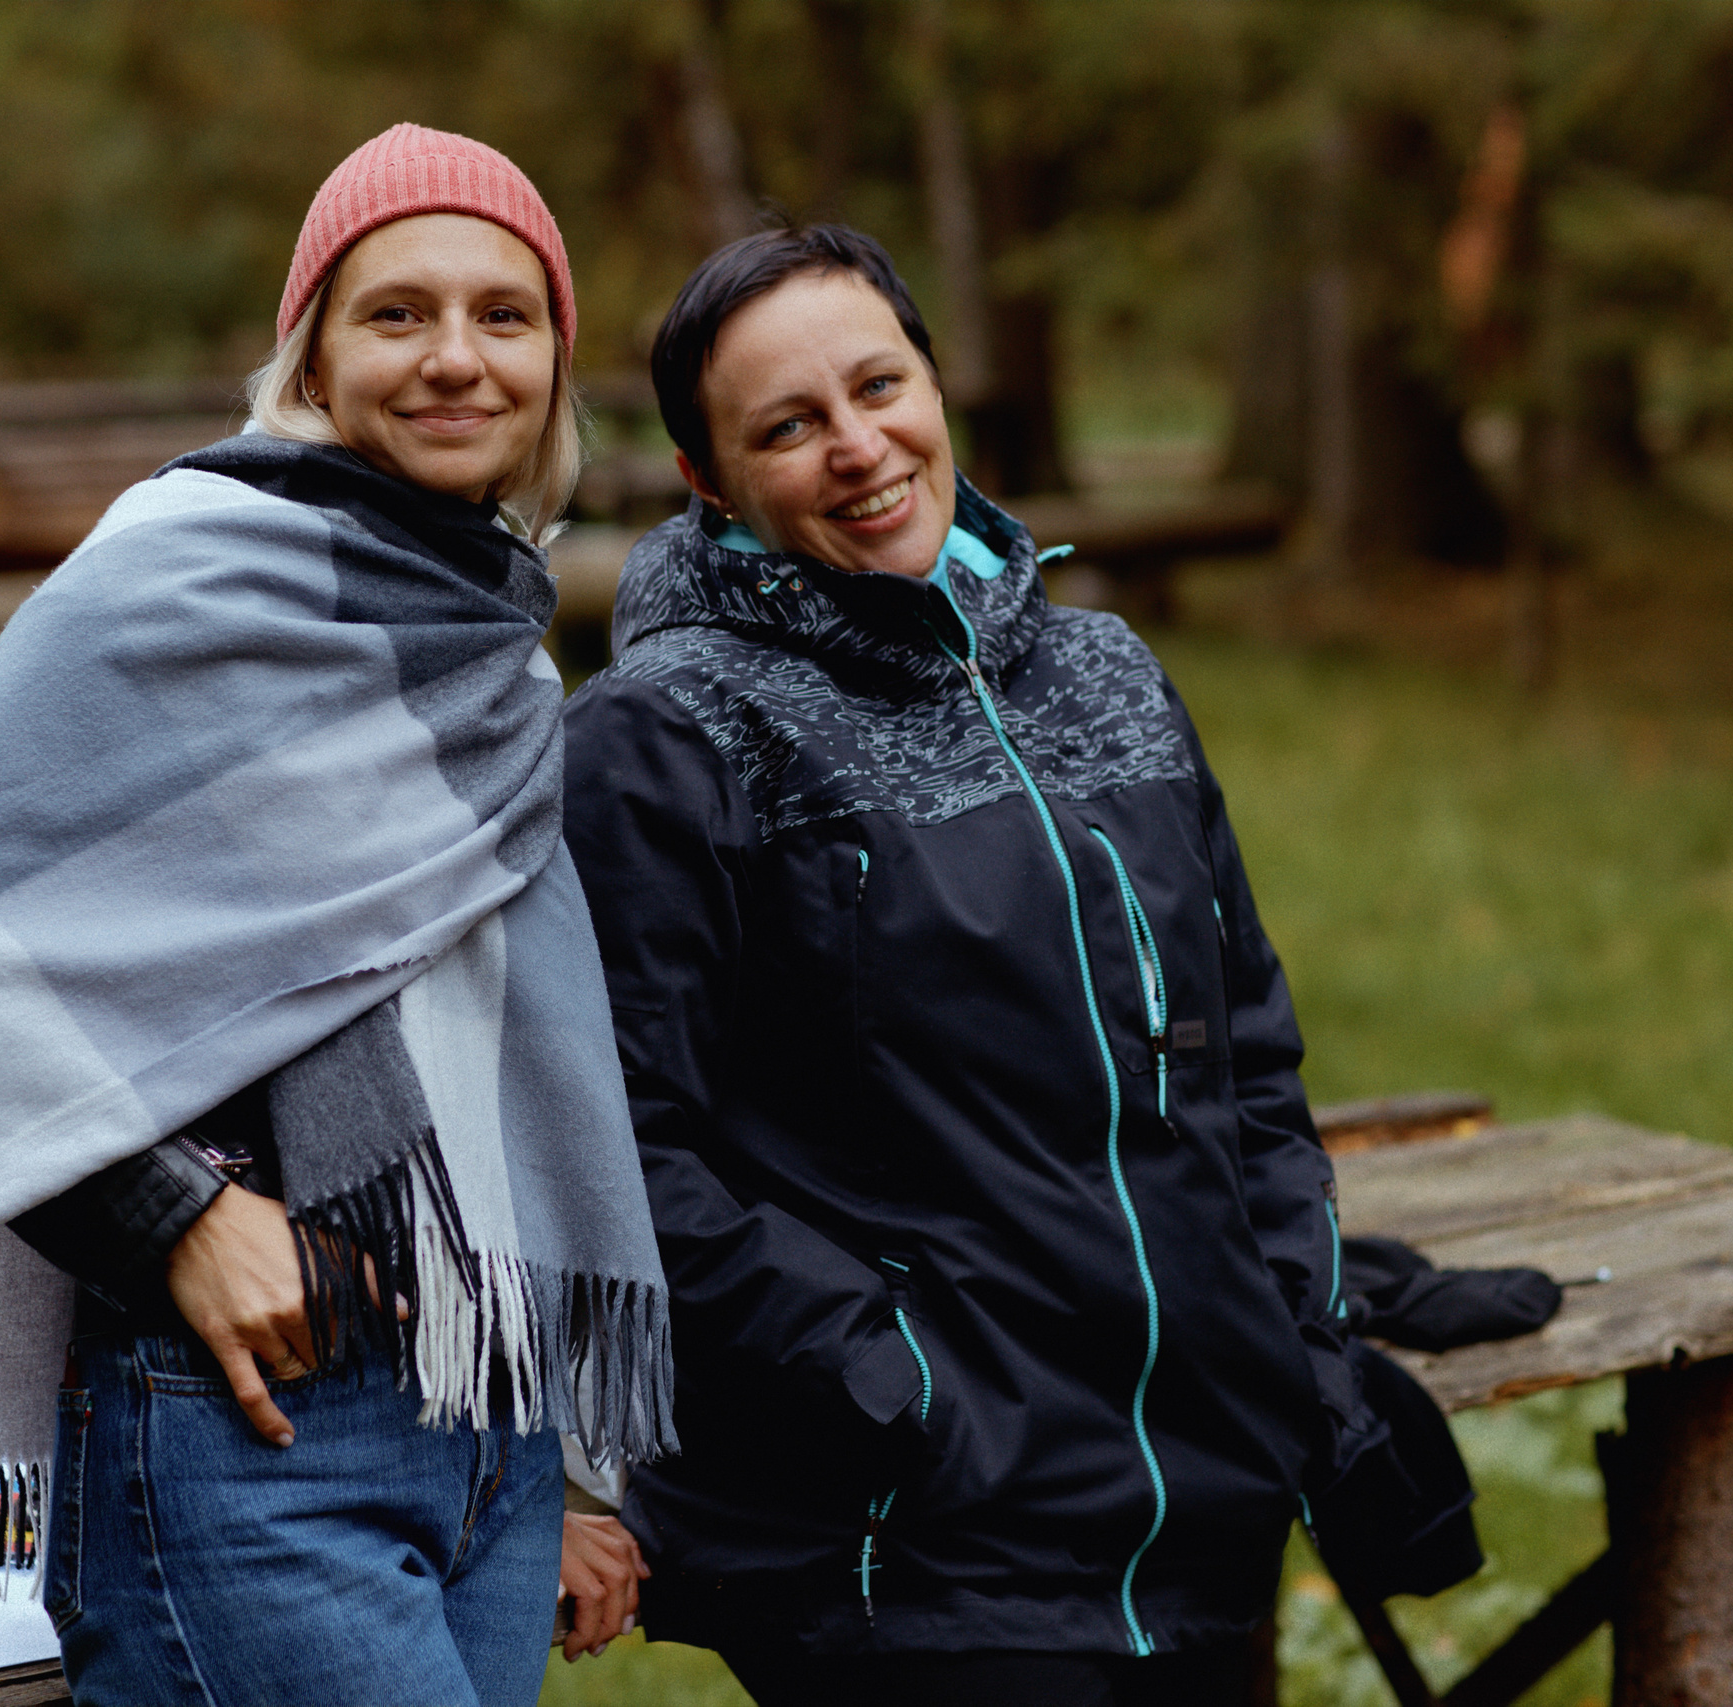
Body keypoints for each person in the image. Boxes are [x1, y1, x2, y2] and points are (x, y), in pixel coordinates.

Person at [0, 125, 670, 1707]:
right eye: (396, 312)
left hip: (481, 1438)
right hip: (247, 1435)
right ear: (314, 350)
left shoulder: (497, 648)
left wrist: (551, 1453)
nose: (455, 359)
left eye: (506, 314)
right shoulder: (170, 582)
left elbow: (494, 1061)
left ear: (558, 359)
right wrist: (176, 1213)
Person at [558, 225, 1379, 1707]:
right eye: (788, 428)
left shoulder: (1111, 671)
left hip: (1198, 1496)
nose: (859, 447)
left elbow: (1245, 1044)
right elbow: (620, 1151)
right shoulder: (671, 734)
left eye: (881, 386)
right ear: (707, 481)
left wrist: (1291, 1330)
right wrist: (896, 1384)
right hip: (915, 1547)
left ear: (936, 384)